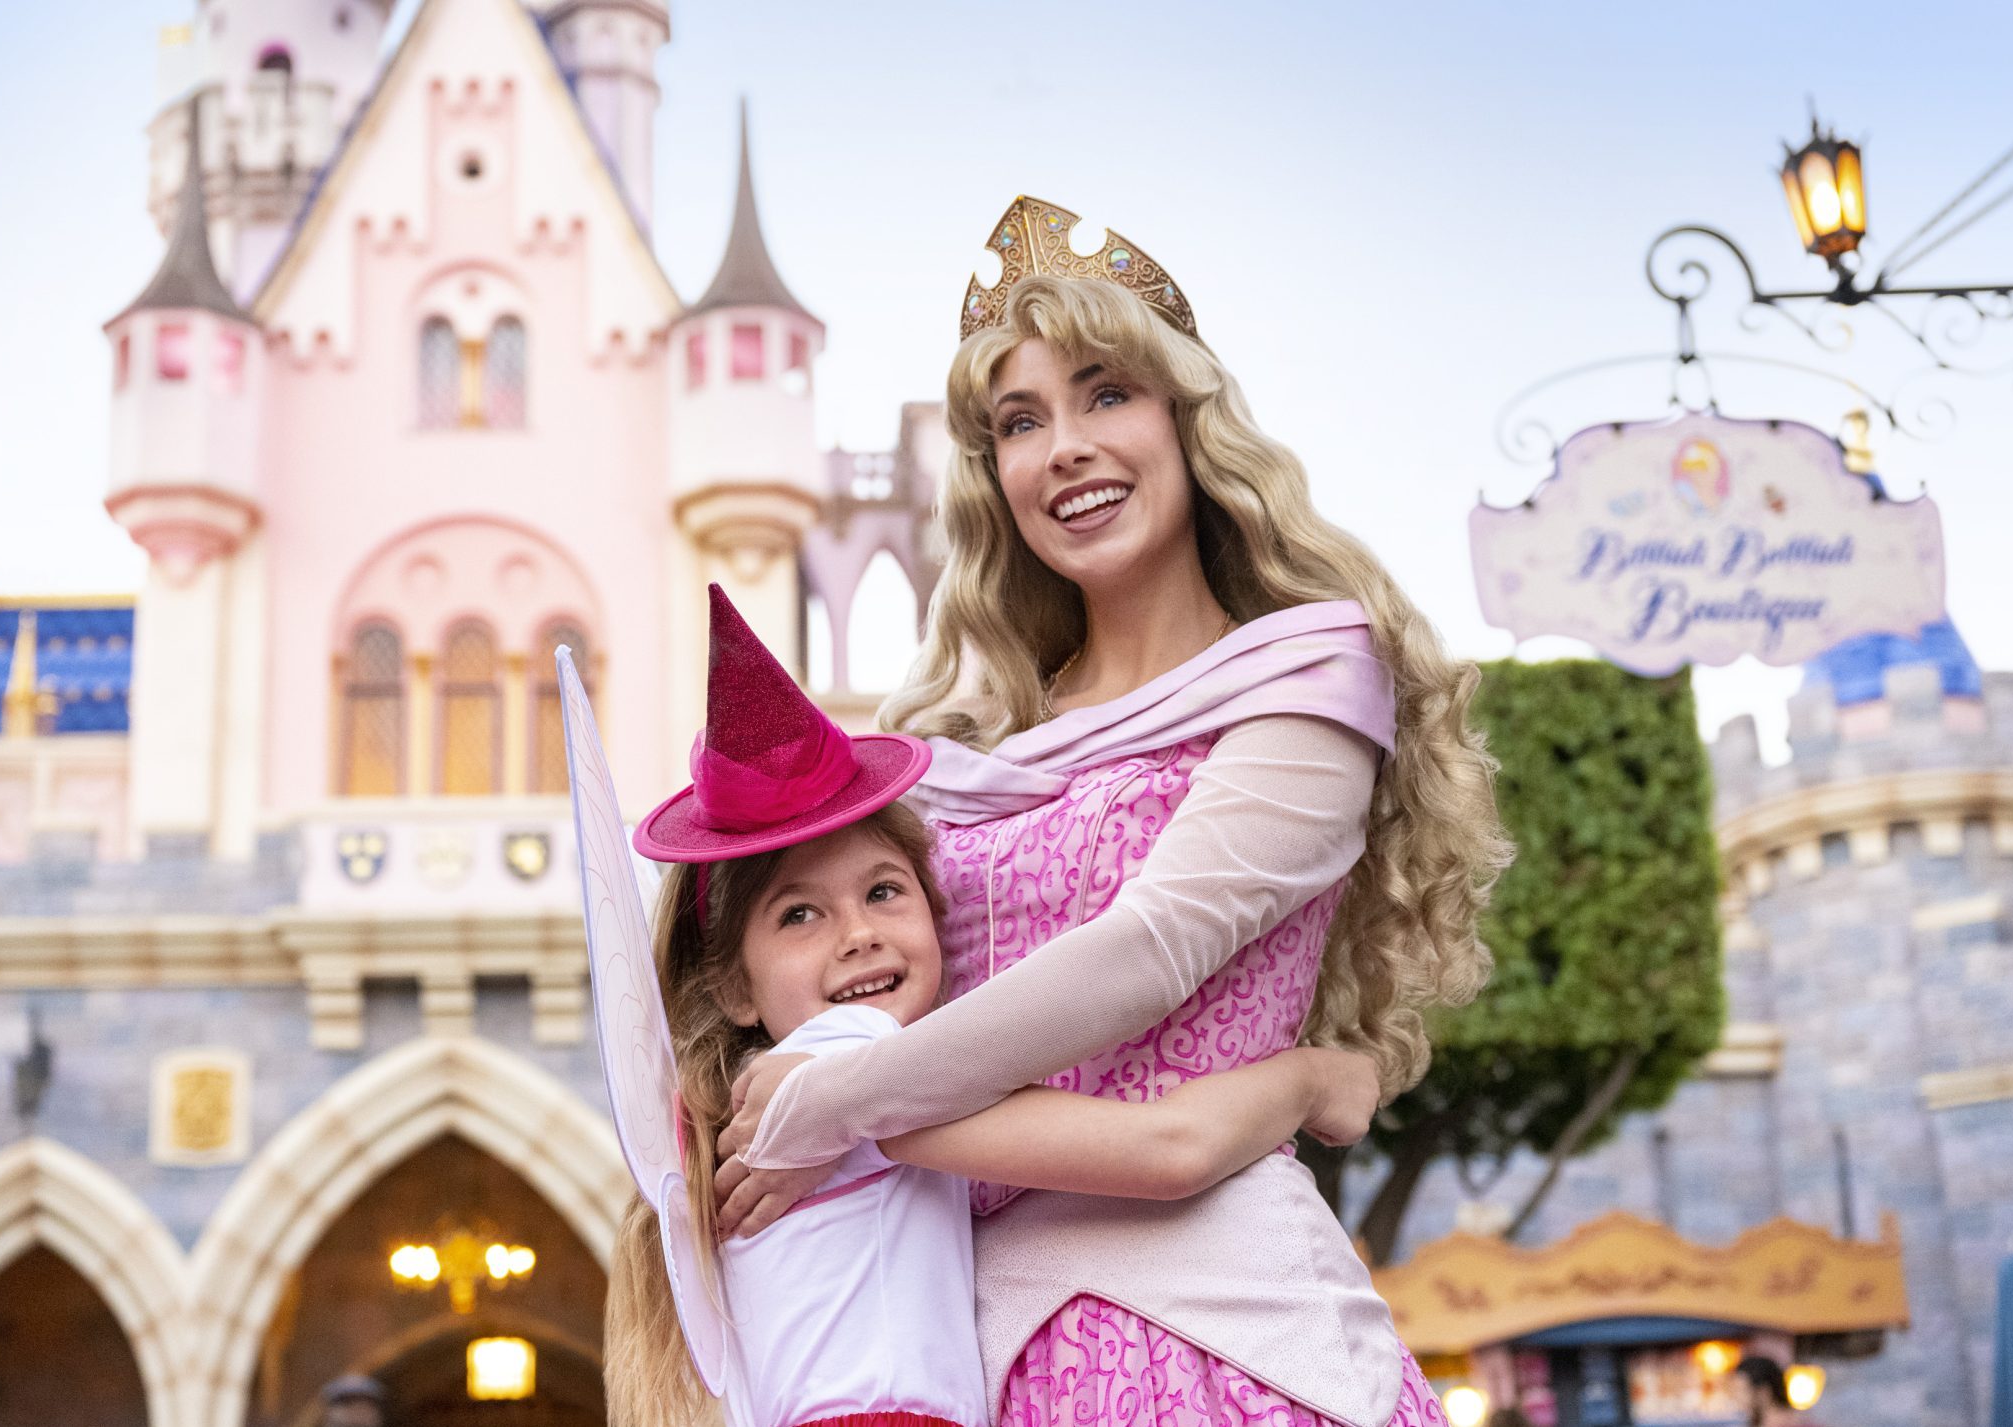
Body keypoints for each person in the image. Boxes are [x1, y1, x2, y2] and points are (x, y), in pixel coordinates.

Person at [714, 197, 1511, 1427]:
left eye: (1105, 394)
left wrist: (844, 1105)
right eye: (1019, 423)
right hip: (970, 1346)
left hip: (1220, 1332)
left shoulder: (1303, 684)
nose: (1064, 446)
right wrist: (1300, 1080)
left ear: (1186, 422)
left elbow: (1145, 953)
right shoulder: (963, 749)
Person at [601, 586, 1385, 1427]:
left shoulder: (746, 1105)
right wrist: (1314, 1078)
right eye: (799, 913)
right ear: (730, 984)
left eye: (884, 890)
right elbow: (1170, 1149)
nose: (858, 934)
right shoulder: (843, 1067)